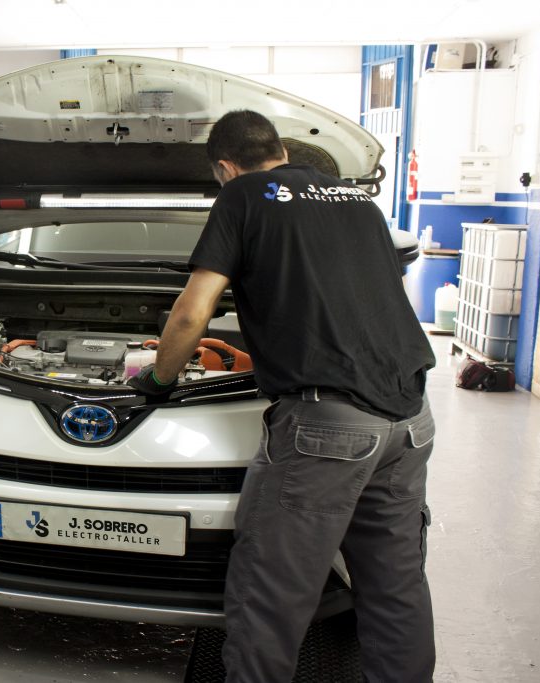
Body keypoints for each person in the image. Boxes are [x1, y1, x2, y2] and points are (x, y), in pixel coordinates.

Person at [129, 110, 437, 683]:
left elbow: (193, 311)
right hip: (410, 417)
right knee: (395, 585)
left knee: (271, 592)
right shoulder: (355, 200)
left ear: (225, 167)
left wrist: (159, 380)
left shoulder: (243, 196)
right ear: (281, 150)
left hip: (328, 427)